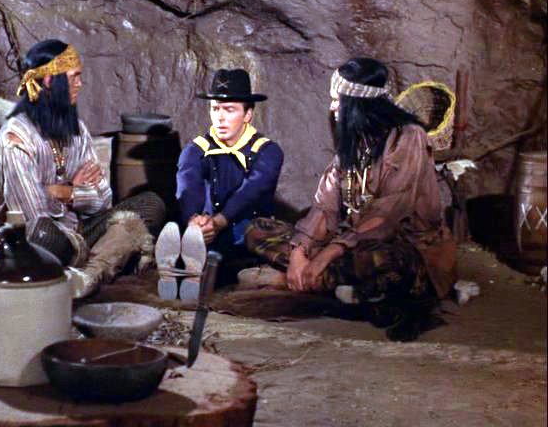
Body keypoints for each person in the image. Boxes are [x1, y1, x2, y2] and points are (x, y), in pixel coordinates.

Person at [245, 58, 457, 341]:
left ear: (360, 105)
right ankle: (326, 282)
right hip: (345, 246)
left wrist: (324, 256)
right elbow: (324, 207)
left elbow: (386, 217)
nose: (332, 108)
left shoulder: (408, 137)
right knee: (257, 228)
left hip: (400, 246)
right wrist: (298, 253)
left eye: (338, 101)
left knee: (382, 260)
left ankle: (310, 279)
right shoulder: (352, 141)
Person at [0, 39, 165, 297]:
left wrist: (61, 192)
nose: (80, 84)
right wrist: (72, 190)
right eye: (74, 77)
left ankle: (88, 276)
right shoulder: (15, 142)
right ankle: (106, 258)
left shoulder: (77, 129)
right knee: (42, 235)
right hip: (26, 242)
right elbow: (32, 218)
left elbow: (102, 200)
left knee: (150, 204)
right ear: (49, 81)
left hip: (76, 231)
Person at [155, 68, 284, 299]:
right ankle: (184, 267)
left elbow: (251, 191)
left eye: (229, 110)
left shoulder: (268, 151)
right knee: (183, 230)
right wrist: (194, 221)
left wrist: (219, 221)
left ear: (247, 114)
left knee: (244, 251)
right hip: (205, 231)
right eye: (215, 109)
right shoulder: (196, 149)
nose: (220, 118)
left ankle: (191, 272)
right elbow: (187, 187)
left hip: (245, 235)